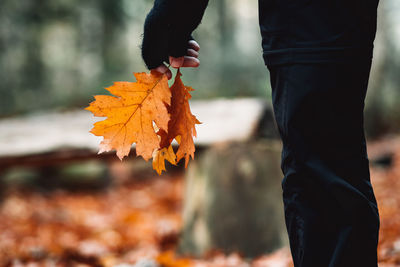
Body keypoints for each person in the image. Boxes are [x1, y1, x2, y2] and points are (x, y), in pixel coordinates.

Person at [140, 0, 381, 266]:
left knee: (321, 170)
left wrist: (172, 13)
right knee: (331, 164)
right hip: (329, 17)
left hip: (308, 16)